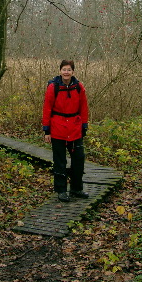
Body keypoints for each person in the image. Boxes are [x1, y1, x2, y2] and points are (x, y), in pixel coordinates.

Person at [42, 59, 89, 202]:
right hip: (57, 129)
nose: (66, 72)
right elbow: (47, 108)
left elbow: (84, 107)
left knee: (78, 159)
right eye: (64, 69)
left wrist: (84, 125)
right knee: (60, 161)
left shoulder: (79, 87)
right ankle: (61, 190)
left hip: (75, 128)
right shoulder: (53, 87)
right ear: (60, 71)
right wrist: (47, 130)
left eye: (69, 70)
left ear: (73, 71)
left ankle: (76, 188)